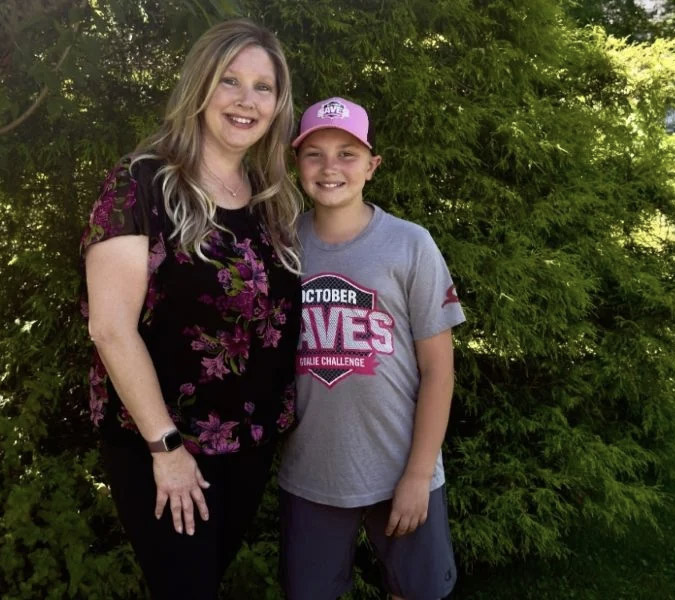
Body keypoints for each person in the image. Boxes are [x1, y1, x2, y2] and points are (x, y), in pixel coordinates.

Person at [79, 19, 302, 600]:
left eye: (263, 87)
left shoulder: (269, 196)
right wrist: (166, 448)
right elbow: (110, 329)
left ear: (277, 105)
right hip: (164, 444)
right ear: (200, 85)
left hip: (248, 443)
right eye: (230, 80)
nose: (247, 100)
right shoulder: (141, 184)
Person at [278, 97, 465, 600]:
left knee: (415, 592)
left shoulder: (410, 244)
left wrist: (419, 474)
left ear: (371, 166)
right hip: (312, 472)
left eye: (347, 154)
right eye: (314, 154)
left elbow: (439, 371)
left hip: (401, 467)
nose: (330, 167)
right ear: (297, 164)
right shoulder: (282, 245)